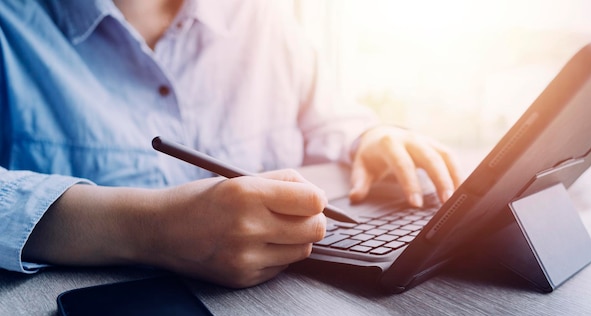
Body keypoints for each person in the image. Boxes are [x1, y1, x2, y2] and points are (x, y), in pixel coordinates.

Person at [0, 0, 460, 288]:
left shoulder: (263, 15)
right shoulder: (12, 26)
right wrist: (151, 230)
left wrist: (370, 138)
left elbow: (330, 122)